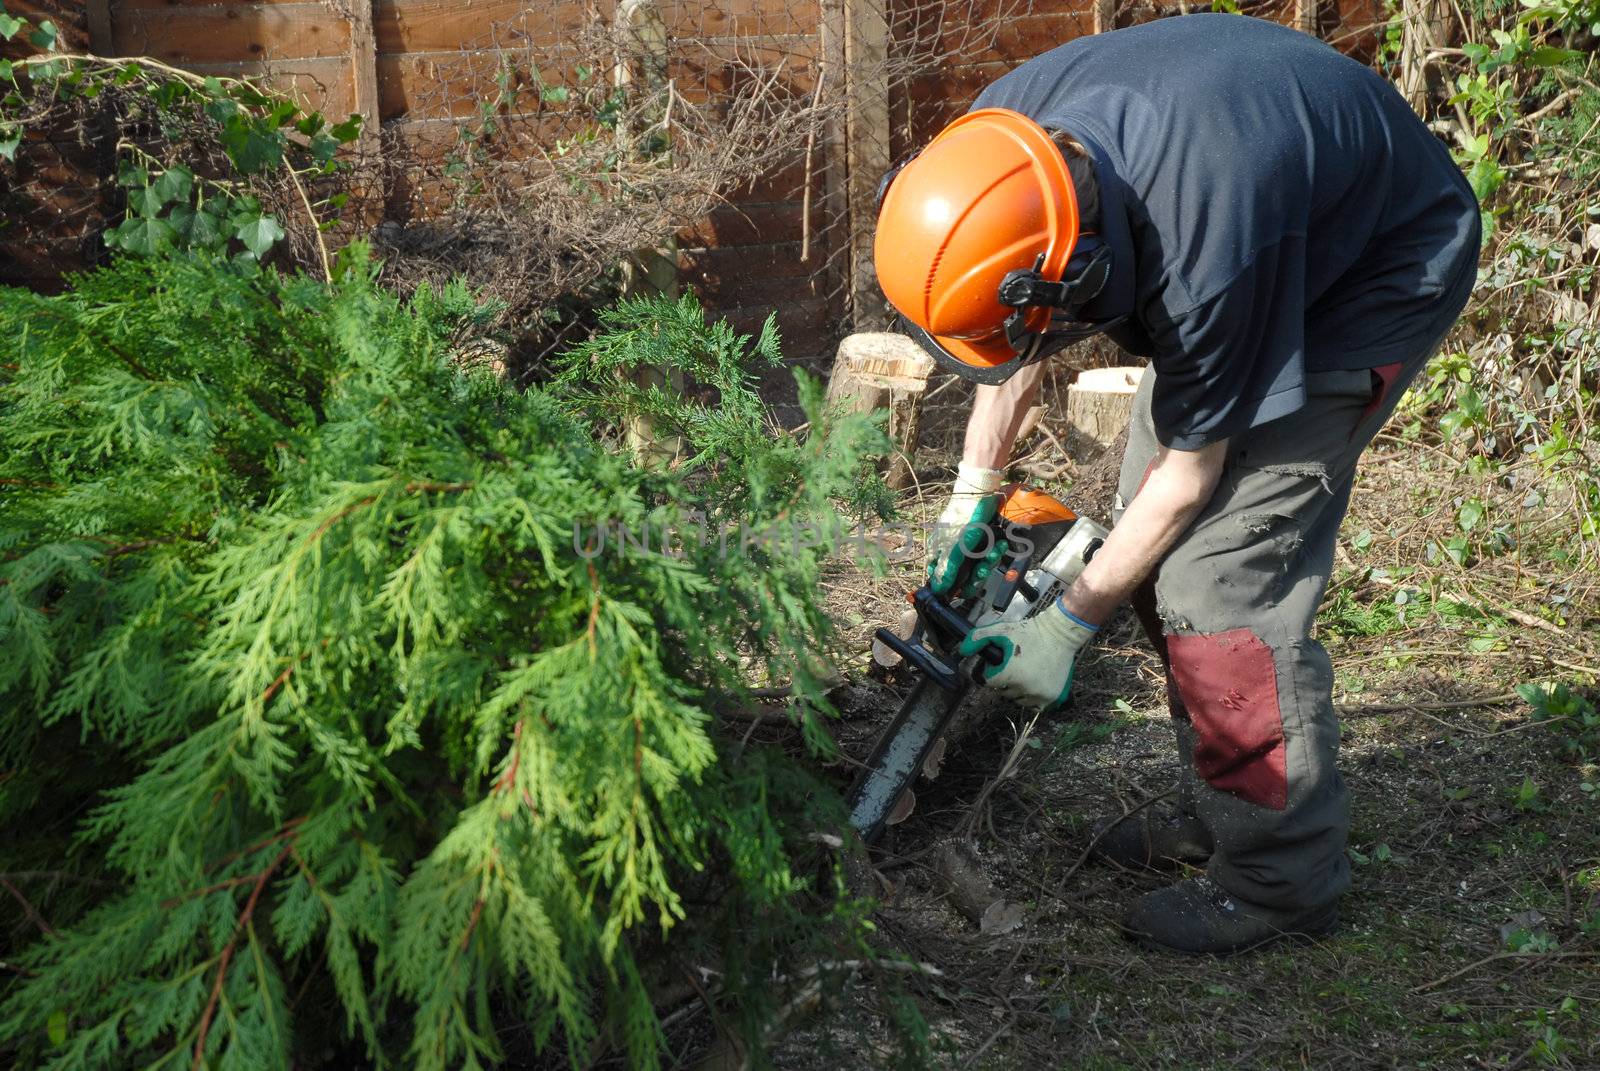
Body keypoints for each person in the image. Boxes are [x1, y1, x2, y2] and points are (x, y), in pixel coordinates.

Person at [871, 14, 1479, 954]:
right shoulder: (994, 161)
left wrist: (1066, 623)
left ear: (1073, 263)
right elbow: (1012, 355)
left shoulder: (1206, 247)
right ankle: (1221, 798)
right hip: (1259, 215)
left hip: (1369, 276)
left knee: (1217, 580)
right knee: (1140, 548)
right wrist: (970, 495)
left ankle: (1282, 877)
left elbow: (1191, 476)